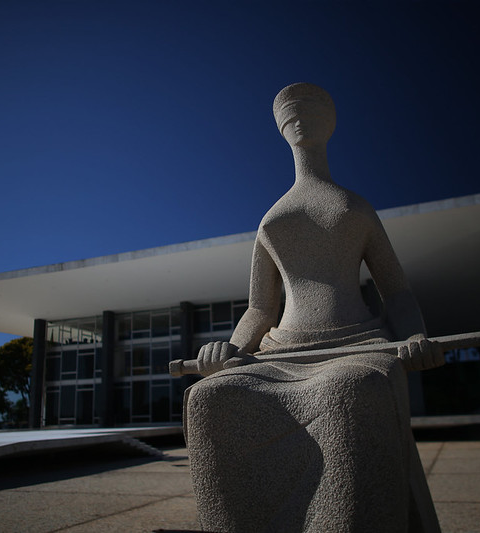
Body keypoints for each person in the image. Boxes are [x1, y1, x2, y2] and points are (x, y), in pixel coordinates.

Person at [185, 83, 441, 533]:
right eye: (290, 114)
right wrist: (229, 349)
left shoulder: (355, 207)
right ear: (280, 130)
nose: (299, 119)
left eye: (311, 110)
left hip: (356, 344)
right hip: (280, 350)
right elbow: (259, 310)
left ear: (331, 123)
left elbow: (396, 292)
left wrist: (415, 335)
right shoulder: (271, 218)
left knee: (351, 389)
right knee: (209, 398)